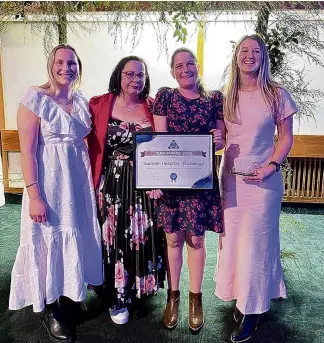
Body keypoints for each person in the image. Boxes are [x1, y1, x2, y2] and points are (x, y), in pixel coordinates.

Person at [9, 44, 103, 342]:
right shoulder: (34, 99)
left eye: (72, 63)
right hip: (48, 184)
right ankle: (53, 308)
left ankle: (69, 296)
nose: (66, 68)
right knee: (48, 239)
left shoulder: (81, 99)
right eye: (60, 62)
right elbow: (26, 151)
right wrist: (34, 195)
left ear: (79, 66)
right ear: (50, 65)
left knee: (76, 234)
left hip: (76, 182)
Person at [214, 34, 298, 343]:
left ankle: (253, 310)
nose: (249, 55)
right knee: (233, 242)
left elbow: (286, 137)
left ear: (263, 58)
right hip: (232, 181)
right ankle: (241, 296)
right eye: (243, 51)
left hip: (264, 183)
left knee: (257, 245)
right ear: (236, 57)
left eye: (256, 51)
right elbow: (222, 136)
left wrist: (271, 166)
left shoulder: (277, 94)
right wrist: (215, 140)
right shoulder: (225, 95)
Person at [87, 56, 165, 325]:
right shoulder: (99, 104)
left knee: (139, 237)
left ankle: (137, 289)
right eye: (129, 74)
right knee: (115, 239)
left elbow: (165, 144)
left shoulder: (152, 106)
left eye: (140, 74)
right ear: (118, 76)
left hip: (145, 184)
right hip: (112, 182)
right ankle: (117, 297)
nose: (135, 79)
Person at [153, 47, 225, 331]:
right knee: (173, 240)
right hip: (172, 180)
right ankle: (173, 297)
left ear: (198, 67)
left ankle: (196, 299)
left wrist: (218, 138)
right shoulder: (165, 96)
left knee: (196, 240)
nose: (186, 70)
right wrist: (157, 179)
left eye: (191, 64)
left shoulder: (213, 98)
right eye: (179, 66)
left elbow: (219, 142)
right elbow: (159, 141)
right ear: (173, 71)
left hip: (200, 182)